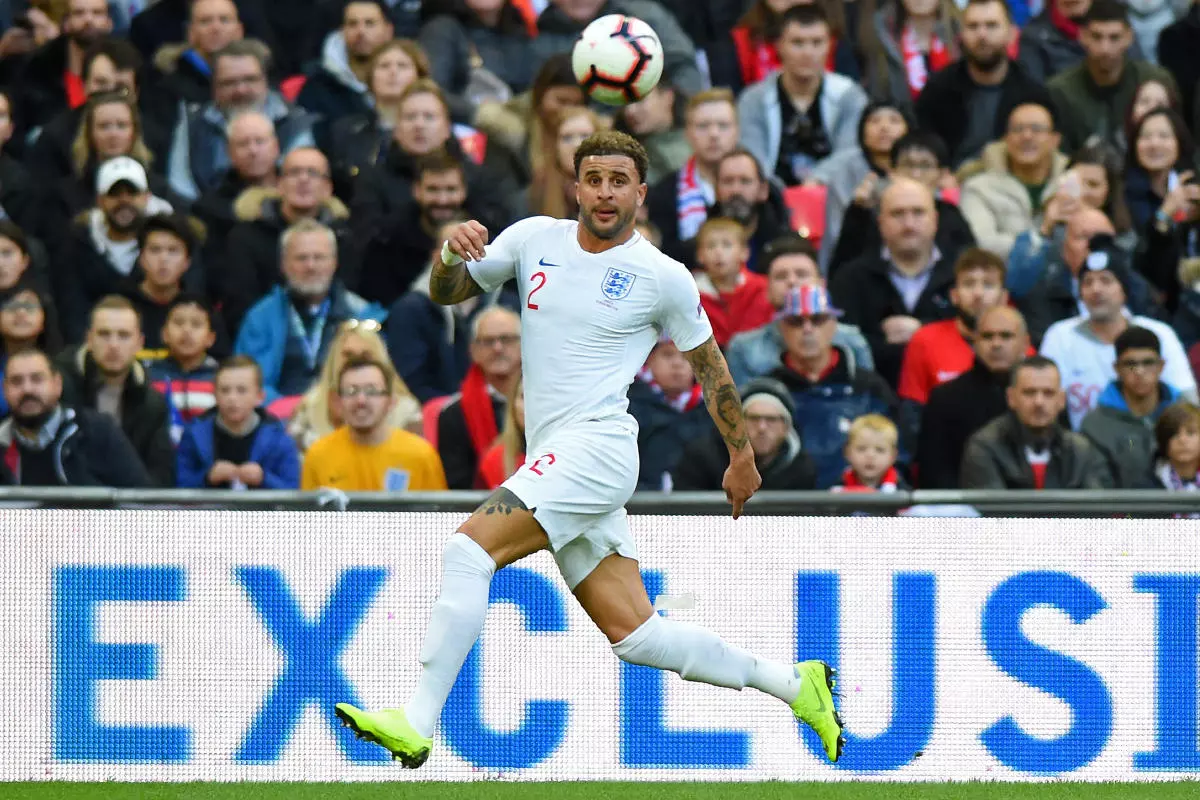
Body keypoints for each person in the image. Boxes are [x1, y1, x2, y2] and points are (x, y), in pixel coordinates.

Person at [334, 130, 844, 768]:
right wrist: (448, 253)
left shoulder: (662, 277)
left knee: (468, 551)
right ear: (576, 187)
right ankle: (797, 686)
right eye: (594, 179)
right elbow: (449, 291)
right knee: (638, 636)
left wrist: (741, 456)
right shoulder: (532, 239)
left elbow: (712, 368)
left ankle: (416, 721)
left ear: (640, 193)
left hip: (597, 449)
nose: (605, 192)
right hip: (555, 454)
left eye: (618, 181)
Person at [1039, 239, 1194, 428]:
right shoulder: (1060, 336)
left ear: (1124, 291)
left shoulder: (1159, 333)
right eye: (1087, 282)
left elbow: (1187, 400)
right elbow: (1044, 401)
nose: (1096, 290)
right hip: (1082, 442)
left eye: (1106, 280)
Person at [234, 219, 386, 402]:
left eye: (319, 257)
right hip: (278, 414)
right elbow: (247, 384)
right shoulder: (260, 317)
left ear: (334, 263)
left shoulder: (363, 315)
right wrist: (288, 408)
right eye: (301, 258)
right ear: (283, 265)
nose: (310, 266)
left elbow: (377, 383)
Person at [829, 177, 960, 387]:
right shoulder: (851, 278)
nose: (909, 224)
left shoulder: (960, 276)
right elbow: (840, 346)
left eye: (918, 212)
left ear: (935, 220)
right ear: (880, 222)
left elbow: (973, 336)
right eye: (898, 214)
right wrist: (883, 341)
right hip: (872, 393)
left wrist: (923, 331)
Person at [769, 285, 899, 488]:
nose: (807, 329)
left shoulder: (869, 387)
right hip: (785, 502)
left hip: (856, 501)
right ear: (782, 329)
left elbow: (897, 450)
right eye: (796, 321)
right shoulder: (768, 392)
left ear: (833, 325)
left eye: (818, 319)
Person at [218, 146, 358, 332]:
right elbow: (240, 304)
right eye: (294, 173)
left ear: (328, 188)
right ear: (279, 185)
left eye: (313, 173)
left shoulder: (344, 237)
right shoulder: (246, 237)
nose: (303, 179)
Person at [165, 39, 317, 201]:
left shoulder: (295, 121)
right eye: (229, 82)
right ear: (214, 87)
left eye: (250, 79)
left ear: (265, 80)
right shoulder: (193, 125)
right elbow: (181, 188)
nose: (240, 90)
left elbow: (301, 185)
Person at [386, 223, 522, 403]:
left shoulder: (510, 304)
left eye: (473, 247)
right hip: (433, 411)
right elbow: (410, 379)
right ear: (437, 257)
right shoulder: (410, 310)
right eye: (456, 249)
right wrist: (453, 411)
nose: (466, 256)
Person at [737, 5, 868, 187]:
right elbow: (752, 158)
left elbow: (850, 153)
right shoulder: (753, 99)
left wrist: (814, 184)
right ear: (779, 46)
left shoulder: (849, 95)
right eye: (797, 43)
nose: (808, 53)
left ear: (829, 46)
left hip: (833, 193)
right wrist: (778, 194)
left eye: (817, 42)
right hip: (770, 196)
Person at [915, 0, 1053, 169]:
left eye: (991, 26)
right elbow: (924, 148)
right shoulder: (938, 91)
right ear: (961, 35)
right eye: (973, 26)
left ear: (1011, 34)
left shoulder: (1032, 93)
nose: (982, 35)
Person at [54, 295, 175, 486]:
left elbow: (160, 476)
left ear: (140, 343)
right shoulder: (59, 388)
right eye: (104, 334)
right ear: (89, 339)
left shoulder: (152, 403)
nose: (113, 345)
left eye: (124, 335)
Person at [54, 156, 175, 342]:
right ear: (100, 200)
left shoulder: (172, 238)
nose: (124, 201)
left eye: (132, 193)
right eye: (115, 194)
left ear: (146, 197)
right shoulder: (77, 242)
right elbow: (72, 309)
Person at [726, 234, 873, 386]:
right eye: (781, 276)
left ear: (821, 285)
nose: (792, 281)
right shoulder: (743, 349)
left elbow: (868, 393)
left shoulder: (852, 342)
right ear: (767, 290)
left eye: (801, 274)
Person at [827, 131, 975, 272]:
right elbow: (841, 271)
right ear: (892, 171)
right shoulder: (867, 214)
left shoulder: (952, 217)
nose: (915, 174)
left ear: (942, 174)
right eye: (908, 165)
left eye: (925, 166)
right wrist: (858, 212)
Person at [0, 347, 150, 487]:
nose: (27, 389)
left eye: (37, 379)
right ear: (5, 390)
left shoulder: (98, 431)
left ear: (57, 384)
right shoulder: (2, 442)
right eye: (16, 381)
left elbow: (142, 498)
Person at [918, 306, 1031, 488]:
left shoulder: (1044, 396)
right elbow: (934, 474)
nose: (996, 344)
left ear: (1025, 343)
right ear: (975, 342)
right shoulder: (945, 399)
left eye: (1006, 336)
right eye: (987, 336)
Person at [960, 354, 1112, 488]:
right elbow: (992, 509)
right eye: (1029, 393)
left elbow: (1095, 507)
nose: (1039, 402)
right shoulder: (985, 447)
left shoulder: (1080, 450)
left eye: (1048, 393)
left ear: (1061, 400)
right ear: (1011, 398)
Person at [301, 355, 448, 491]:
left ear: (391, 401)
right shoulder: (318, 456)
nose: (361, 400)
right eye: (351, 391)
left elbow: (438, 509)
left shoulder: (420, 455)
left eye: (371, 391)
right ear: (338, 401)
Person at [1047, 0, 1176, 154]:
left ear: (1129, 37)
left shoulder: (1154, 81)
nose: (1105, 49)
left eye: (1114, 38)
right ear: (1082, 36)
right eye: (1096, 37)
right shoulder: (1060, 91)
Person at [898, 247, 1013, 406]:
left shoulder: (1019, 344)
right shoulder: (925, 341)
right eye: (969, 284)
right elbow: (912, 411)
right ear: (954, 295)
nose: (978, 293)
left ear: (1004, 297)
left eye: (988, 285)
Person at [288, 320, 421, 453]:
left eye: (365, 356)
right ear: (334, 360)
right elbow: (296, 460)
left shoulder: (407, 410)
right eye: (348, 355)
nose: (356, 363)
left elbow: (414, 459)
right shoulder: (309, 406)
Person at [959, 102, 1070, 260]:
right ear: (1005, 138)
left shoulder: (1071, 185)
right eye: (1017, 129)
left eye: (1037, 129)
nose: (1026, 136)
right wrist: (1041, 234)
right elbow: (983, 244)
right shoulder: (979, 188)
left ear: (1055, 139)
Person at [176, 355, 301, 489]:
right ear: (215, 395)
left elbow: (293, 491)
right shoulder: (193, 435)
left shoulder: (280, 439)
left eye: (241, 390)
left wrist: (264, 478)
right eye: (225, 390)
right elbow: (178, 486)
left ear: (259, 397)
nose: (232, 398)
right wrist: (207, 477)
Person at [671, 375, 817, 490]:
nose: (762, 428)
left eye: (771, 420)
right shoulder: (703, 458)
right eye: (753, 418)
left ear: (785, 428)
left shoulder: (801, 468)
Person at [645, 89, 740, 264]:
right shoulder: (664, 192)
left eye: (723, 125)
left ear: (737, 131)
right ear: (687, 133)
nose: (714, 134)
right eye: (703, 126)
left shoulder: (760, 186)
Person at [1079, 326, 1182, 487]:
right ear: (1117, 368)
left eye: (1148, 362)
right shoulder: (1095, 425)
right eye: (1130, 364)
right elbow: (1098, 491)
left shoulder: (1186, 416)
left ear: (1161, 366)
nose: (1139, 371)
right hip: (1120, 504)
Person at [437, 306, 521, 489]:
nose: (497, 348)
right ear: (473, 350)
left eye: (506, 339)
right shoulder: (454, 414)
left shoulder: (546, 404)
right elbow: (458, 488)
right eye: (488, 341)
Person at [123, 213, 223, 355]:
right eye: (155, 250)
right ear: (141, 258)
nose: (163, 259)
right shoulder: (122, 305)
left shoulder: (201, 309)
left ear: (187, 262)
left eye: (173, 251)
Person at [627, 335, 710, 490]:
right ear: (649, 359)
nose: (677, 364)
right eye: (667, 355)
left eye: (686, 357)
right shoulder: (628, 405)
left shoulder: (710, 410)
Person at [296, 0, 395, 122]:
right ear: (342, 31)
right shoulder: (318, 88)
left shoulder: (408, 79)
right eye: (352, 24)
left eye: (370, 23)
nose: (361, 31)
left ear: (388, 30)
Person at [145, 293, 220, 437]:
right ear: (164, 334)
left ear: (210, 338)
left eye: (196, 324)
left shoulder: (220, 377)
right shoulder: (148, 376)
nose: (187, 331)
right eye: (179, 323)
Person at [708, 148, 792, 272]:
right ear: (716, 190)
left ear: (763, 190)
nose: (736, 190)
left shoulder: (786, 248)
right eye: (728, 181)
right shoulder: (696, 247)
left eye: (745, 181)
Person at [693, 217, 773, 348]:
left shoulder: (763, 288)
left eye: (727, 245)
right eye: (711, 246)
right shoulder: (691, 295)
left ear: (744, 252)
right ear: (700, 255)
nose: (718, 252)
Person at [831, 414, 905, 492]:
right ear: (847, 452)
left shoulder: (903, 492)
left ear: (893, 456)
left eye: (880, 450)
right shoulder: (837, 489)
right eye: (862, 449)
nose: (870, 455)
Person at [478, 373, 525, 490]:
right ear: (513, 404)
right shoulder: (494, 459)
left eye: (540, 399)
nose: (531, 405)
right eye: (523, 397)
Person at [1150, 401, 1200, 490]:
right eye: (1174, 434)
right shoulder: (1146, 483)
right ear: (1164, 441)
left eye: (1190, 433)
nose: (1182, 440)